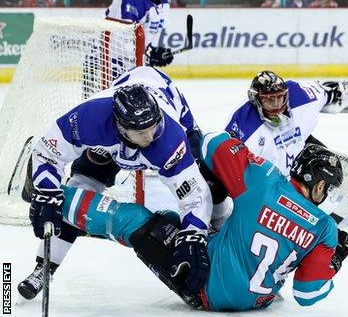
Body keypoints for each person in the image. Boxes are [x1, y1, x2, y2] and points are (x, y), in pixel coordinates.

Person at [55, 136, 348, 311]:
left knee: (137, 222)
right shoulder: (325, 228)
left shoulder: (265, 180)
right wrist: (332, 260)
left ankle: (52, 197)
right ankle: (88, 217)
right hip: (257, 302)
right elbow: (308, 295)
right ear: (320, 185)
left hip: (204, 285)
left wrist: (243, 162)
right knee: (171, 222)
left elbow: (210, 143)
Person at [17, 66, 228, 300]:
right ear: (121, 128)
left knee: (211, 182)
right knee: (76, 195)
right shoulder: (89, 118)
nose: (150, 137)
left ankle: (221, 232)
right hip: (111, 144)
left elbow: (194, 195)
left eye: (153, 128)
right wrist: (47, 194)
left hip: (170, 100)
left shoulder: (168, 138)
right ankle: (43, 269)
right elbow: (47, 152)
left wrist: (193, 236)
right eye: (142, 133)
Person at [224, 71, 348, 218]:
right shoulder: (244, 126)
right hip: (268, 176)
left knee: (324, 161)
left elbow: (332, 93)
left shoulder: (301, 96)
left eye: (280, 98)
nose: (277, 106)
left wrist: (346, 96)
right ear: (256, 100)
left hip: (296, 152)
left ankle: (325, 190)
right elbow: (228, 170)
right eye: (269, 101)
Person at [105, 0, 173, 67]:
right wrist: (148, 57)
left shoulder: (164, 0)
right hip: (111, 57)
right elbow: (122, 42)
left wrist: (154, 52)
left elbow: (153, 33)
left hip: (134, 59)